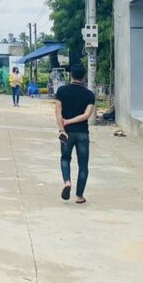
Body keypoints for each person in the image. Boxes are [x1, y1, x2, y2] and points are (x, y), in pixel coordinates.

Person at [54, 64, 95, 204]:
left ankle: (67, 182)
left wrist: (62, 128)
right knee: (83, 165)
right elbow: (86, 115)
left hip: (67, 133)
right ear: (84, 77)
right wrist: (71, 121)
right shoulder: (89, 95)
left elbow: (58, 112)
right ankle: (79, 196)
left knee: (65, 159)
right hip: (83, 133)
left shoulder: (61, 91)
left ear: (71, 75)